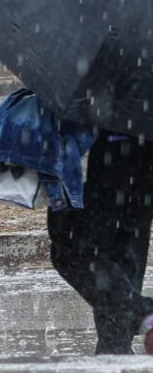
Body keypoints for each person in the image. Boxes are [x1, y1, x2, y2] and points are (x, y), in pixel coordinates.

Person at [48, 130, 153, 355]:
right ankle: (115, 356)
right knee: (123, 260)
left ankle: (143, 315)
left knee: (72, 251)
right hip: (143, 149)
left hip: (104, 148)